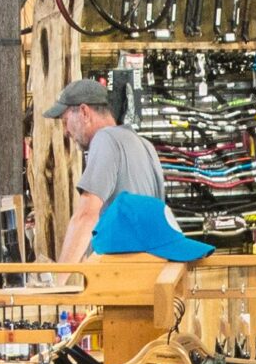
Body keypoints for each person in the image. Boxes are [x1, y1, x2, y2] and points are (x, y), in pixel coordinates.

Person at [43, 78, 199, 264]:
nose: (65, 132)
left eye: (65, 121)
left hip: (119, 278)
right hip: (146, 275)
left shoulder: (105, 140)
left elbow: (86, 215)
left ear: (84, 112)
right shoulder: (145, 146)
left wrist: (59, 282)